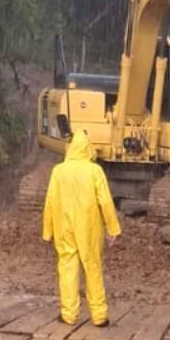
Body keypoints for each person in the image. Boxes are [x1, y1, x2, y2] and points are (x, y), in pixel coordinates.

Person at [42, 130, 121, 327]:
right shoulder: (95, 171)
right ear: (88, 148)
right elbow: (105, 201)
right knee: (93, 267)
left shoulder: (58, 171)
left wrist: (47, 232)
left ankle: (69, 315)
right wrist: (113, 228)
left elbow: (50, 202)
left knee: (67, 268)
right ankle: (99, 316)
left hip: (64, 227)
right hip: (90, 228)